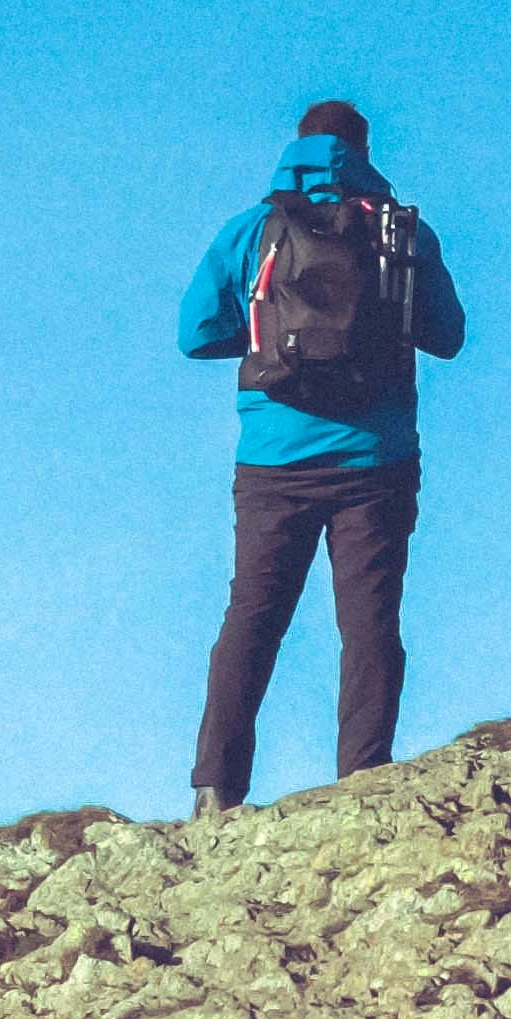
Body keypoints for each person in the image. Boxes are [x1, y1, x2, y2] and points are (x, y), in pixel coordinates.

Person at [179, 101, 465, 814]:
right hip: (377, 460)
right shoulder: (401, 231)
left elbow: (194, 334)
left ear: (296, 146)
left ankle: (216, 788)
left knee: (252, 615)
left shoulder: (253, 228)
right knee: (369, 625)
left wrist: (265, 341)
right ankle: (363, 785)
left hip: (273, 460)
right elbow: (449, 335)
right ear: (364, 149)